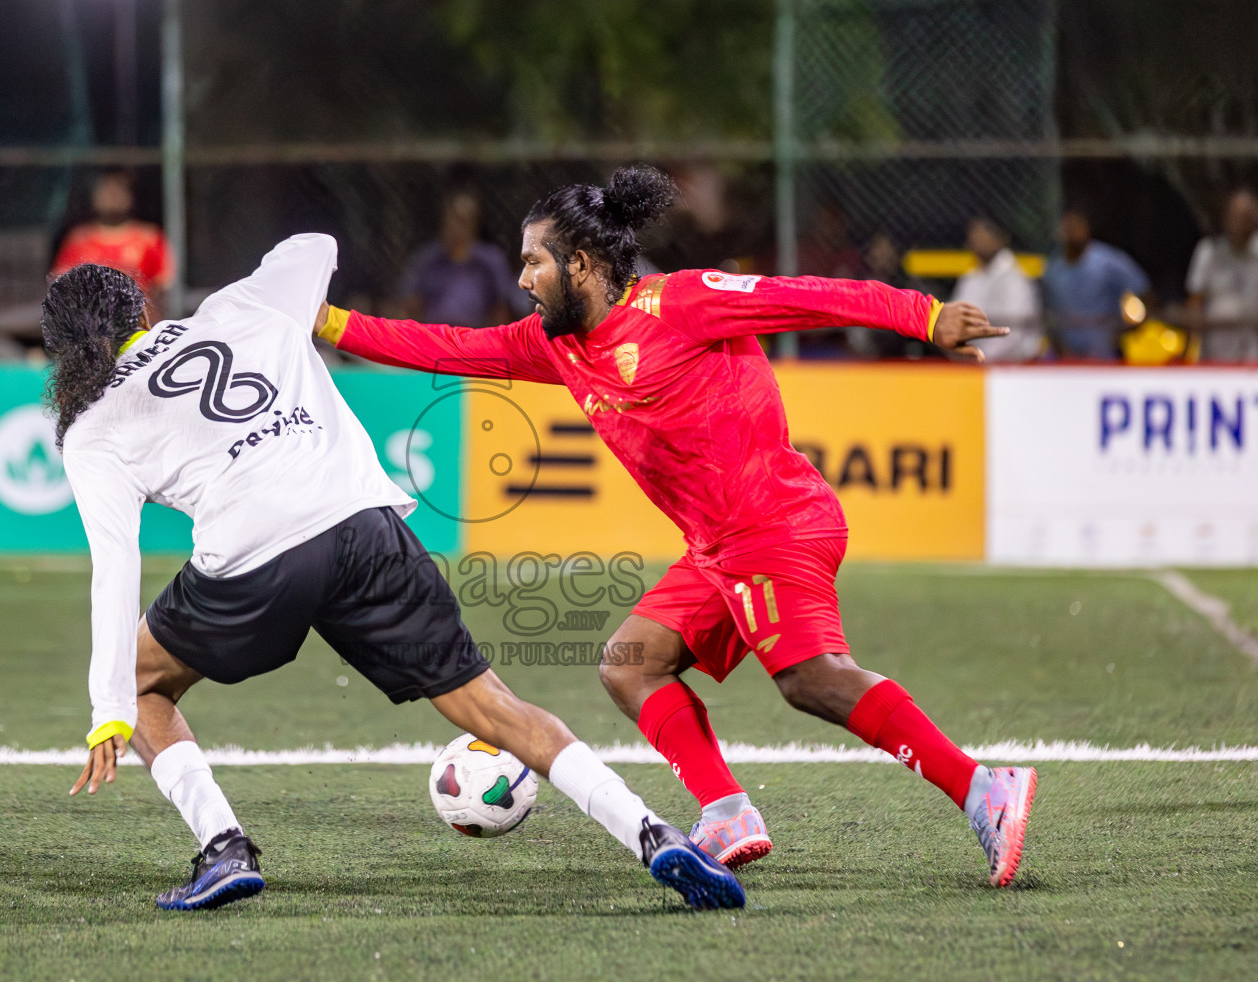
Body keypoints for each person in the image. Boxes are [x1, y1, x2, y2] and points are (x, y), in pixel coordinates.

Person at [315, 166, 1038, 888]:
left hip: (777, 523)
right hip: (718, 549)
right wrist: (326, 323)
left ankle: (982, 790)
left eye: (534, 261)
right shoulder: (555, 346)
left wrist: (924, 315)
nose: (524, 278)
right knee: (631, 663)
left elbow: (806, 298)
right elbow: (443, 347)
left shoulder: (681, 301)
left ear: (582, 264)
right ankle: (727, 812)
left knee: (812, 680)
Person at [45, 236, 745, 912]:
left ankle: (225, 845)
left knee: (142, 683)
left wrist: (110, 708)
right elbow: (314, 243)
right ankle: (652, 832)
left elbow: (115, 565)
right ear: (142, 311)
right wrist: (274, 297)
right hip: (363, 524)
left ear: (68, 355)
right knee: (493, 707)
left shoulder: (89, 428)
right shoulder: (241, 307)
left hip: (253, 561)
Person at [51, 169, 175, 316]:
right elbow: (61, 285)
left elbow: (164, 285)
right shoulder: (78, 239)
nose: (112, 195)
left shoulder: (149, 237)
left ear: (131, 196)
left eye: (118, 190)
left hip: (139, 325)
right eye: (105, 190)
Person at [398, 187, 523, 327]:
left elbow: (501, 310)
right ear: (444, 219)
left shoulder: (490, 261)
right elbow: (410, 306)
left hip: (474, 339)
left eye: (464, 220)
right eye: (454, 218)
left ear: (475, 223)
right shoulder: (427, 259)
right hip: (433, 338)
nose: (458, 226)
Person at [1041, 208, 1149, 360]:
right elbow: (1048, 311)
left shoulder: (1107, 261)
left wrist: (1127, 329)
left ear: (1087, 227)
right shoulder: (1053, 267)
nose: (1072, 230)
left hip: (1104, 353)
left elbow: (1143, 290)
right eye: (1068, 225)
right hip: (1066, 354)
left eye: (1077, 224)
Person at [951, 217, 1043, 362]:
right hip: (972, 363)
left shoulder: (1015, 279)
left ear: (1000, 239)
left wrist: (982, 356)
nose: (976, 240)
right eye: (974, 235)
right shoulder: (970, 279)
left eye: (983, 234)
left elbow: (1014, 334)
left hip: (1013, 367)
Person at [1186, 188, 1258, 363]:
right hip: (1215, 350)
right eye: (1238, 216)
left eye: (1248, 216)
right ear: (1226, 217)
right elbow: (1195, 301)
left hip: (1253, 349)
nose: (1242, 223)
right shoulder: (1209, 252)